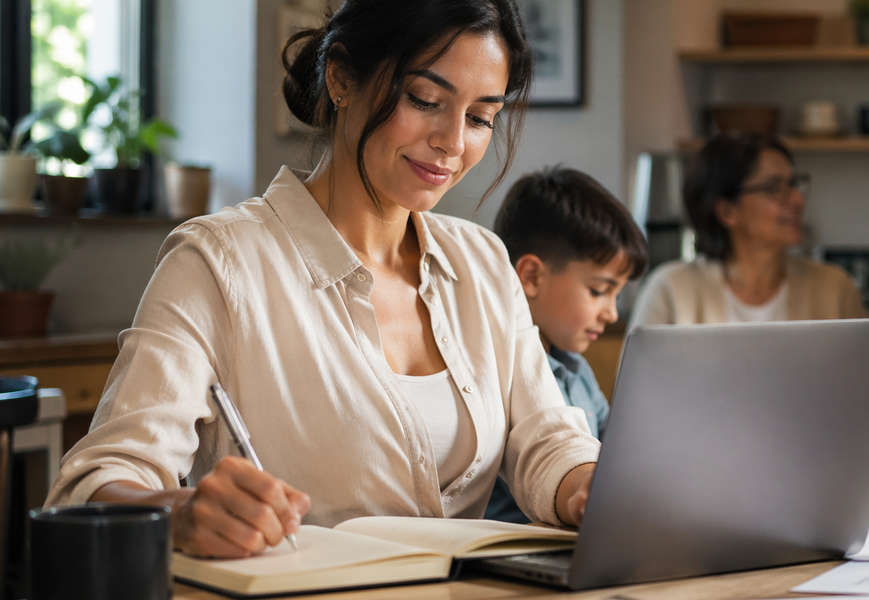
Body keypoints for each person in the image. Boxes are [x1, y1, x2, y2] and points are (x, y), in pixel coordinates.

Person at [46, 0, 601, 559]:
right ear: (341, 78)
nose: (454, 142)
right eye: (426, 100)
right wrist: (178, 513)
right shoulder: (217, 262)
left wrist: (587, 485)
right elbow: (91, 488)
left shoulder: (482, 262)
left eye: (481, 118)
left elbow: (548, 440)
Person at [484, 166, 649, 523]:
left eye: (617, 295)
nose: (611, 313)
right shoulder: (493, 373)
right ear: (531, 276)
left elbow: (616, 457)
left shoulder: (578, 371)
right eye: (599, 291)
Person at [630, 133, 865, 328]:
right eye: (775, 188)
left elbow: (867, 380)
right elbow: (638, 384)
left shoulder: (835, 288)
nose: (797, 200)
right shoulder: (670, 289)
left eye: (794, 184)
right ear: (726, 211)